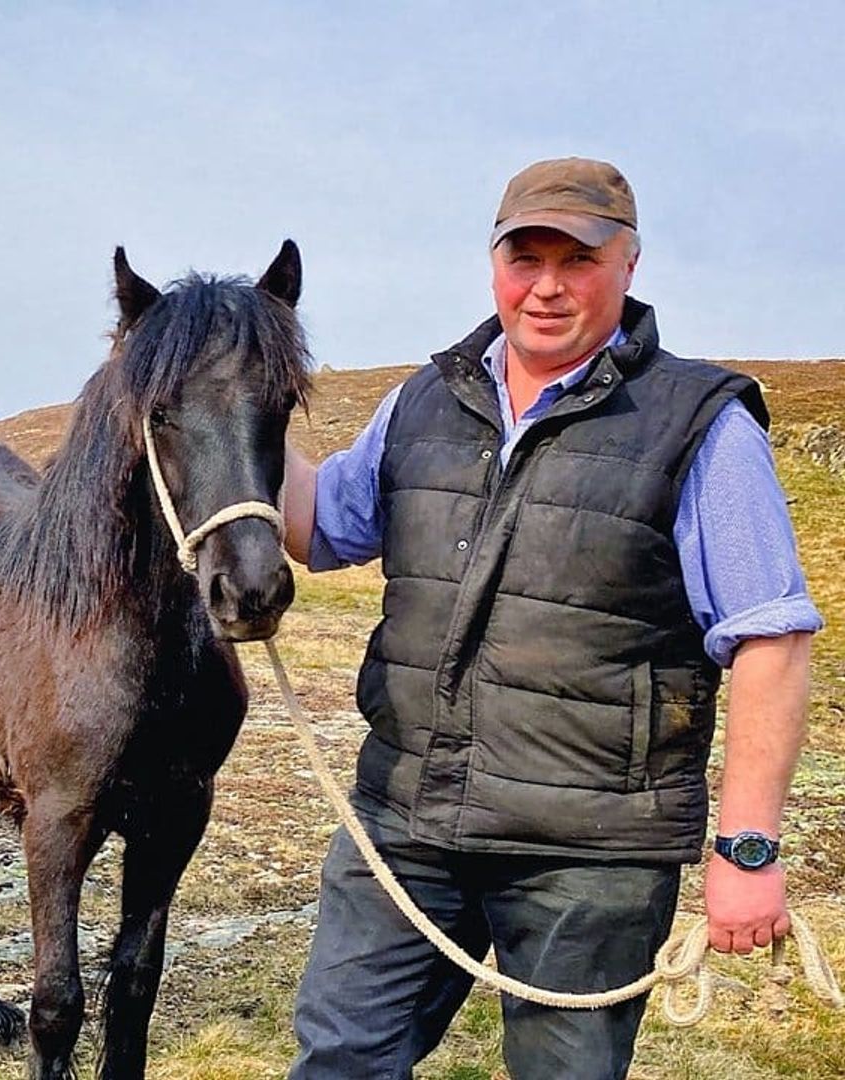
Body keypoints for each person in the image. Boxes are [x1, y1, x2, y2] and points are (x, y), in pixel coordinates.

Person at [279, 157, 822, 1080]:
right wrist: (243, 396)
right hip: (405, 822)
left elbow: (772, 639)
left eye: (578, 260)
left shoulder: (700, 423)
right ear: (494, 262)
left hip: (591, 855)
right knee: (339, 1061)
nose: (547, 286)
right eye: (525, 258)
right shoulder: (423, 400)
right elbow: (318, 527)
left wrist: (748, 849)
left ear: (630, 265)